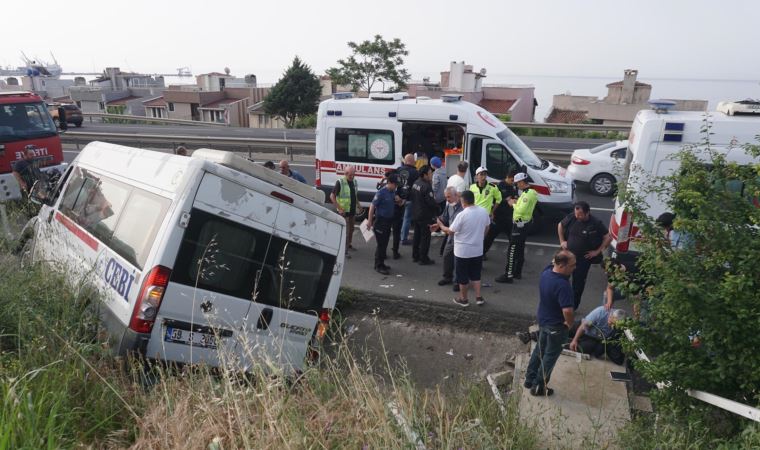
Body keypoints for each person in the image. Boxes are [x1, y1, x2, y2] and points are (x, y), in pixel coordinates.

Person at [523, 250, 576, 397]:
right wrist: (569, 324)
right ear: (562, 265)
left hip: (543, 320)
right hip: (557, 326)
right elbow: (567, 310)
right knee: (549, 357)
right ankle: (539, 386)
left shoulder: (546, 272)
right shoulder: (563, 285)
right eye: (572, 265)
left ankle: (529, 379)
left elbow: (553, 261)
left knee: (539, 350)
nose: (574, 268)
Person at [438, 190, 491, 307]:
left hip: (463, 251)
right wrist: (481, 237)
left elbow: (451, 231)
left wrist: (441, 226)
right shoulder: (483, 211)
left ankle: (463, 299)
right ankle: (478, 297)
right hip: (477, 250)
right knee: (476, 275)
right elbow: (487, 226)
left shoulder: (462, 215)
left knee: (462, 276)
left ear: (463, 201)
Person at [558, 201, 611, 309]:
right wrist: (562, 241)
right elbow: (560, 225)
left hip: (583, 259)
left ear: (587, 213)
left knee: (578, 284)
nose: (577, 216)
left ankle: (573, 306)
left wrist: (597, 251)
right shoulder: (573, 217)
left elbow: (608, 237)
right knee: (561, 279)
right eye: (576, 213)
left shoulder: (595, 223)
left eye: (580, 214)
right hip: (568, 255)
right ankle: (561, 303)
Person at [496, 173, 538, 283]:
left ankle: (508, 275)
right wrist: (517, 202)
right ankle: (517, 272)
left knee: (512, 250)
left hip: (520, 226)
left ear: (522, 182)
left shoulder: (528, 194)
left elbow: (520, 210)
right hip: (523, 224)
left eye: (517, 183)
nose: (516, 186)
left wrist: (512, 204)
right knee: (519, 249)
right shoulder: (529, 193)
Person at [367, 175, 399, 275]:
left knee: (384, 244)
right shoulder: (381, 193)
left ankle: (382, 263)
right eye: (395, 185)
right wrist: (369, 221)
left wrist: (399, 200)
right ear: (390, 183)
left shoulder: (392, 192)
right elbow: (372, 206)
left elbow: (395, 202)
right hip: (380, 222)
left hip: (388, 221)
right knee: (381, 245)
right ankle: (378, 265)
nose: (396, 187)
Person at [433, 187, 462, 290]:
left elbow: (450, 228)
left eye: (449, 197)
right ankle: (447, 277)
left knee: (458, 261)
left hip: (460, 239)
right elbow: (444, 218)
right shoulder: (449, 206)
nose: (447, 199)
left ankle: (458, 282)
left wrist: (441, 226)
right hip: (451, 238)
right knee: (446, 256)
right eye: (446, 197)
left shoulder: (462, 208)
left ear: (456, 195)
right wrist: (437, 224)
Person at [330, 166, 363, 257]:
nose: (352, 177)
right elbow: (332, 196)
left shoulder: (354, 182)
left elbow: (354, 195)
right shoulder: (340, 182)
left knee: (351, 229)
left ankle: (349, 245)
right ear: (345, 174)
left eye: (353, 175)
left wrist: (359, 205)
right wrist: (339, 208)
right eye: (350, 175)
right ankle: (344, 251)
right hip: (344, 212)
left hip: (352, 210)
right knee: (346, 231)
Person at [484, 171, 518, 256]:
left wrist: (515, 200)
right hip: (498, 217)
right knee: (489, 238)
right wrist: (505, 200)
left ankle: (513, 256)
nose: (513, 182)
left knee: (513, 238)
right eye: (512, 180)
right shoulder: (498, 186)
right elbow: (493, 200)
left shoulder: (513, 187)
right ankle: (481, 253)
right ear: (508, 177)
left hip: (509, 217)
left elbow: (515, 197)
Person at [410, 166, 438, 265]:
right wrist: (437, 207)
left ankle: (415, 255)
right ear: (425, 175)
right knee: (425, 238)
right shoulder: (426, 186)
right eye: (430, 173)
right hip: (425, 216)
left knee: (417, 236)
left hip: (415, 213)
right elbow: (431, 202)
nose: (432, 175)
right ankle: (423, 258)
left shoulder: (416, 183)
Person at [396, 154, 419, 245]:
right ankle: (403, 239)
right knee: (407, 219)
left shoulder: (399, 170)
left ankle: (398, 236)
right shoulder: (415, 172)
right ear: (412, 161)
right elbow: (416, 187)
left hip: (398, 198)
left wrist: (397, 196)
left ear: (405, 161)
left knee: (398, 219)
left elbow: (395, 183)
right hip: (409, 199)